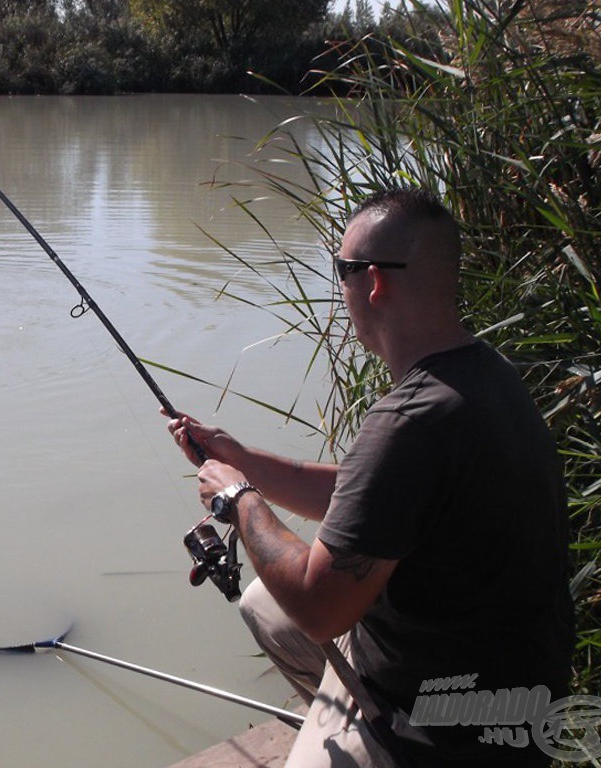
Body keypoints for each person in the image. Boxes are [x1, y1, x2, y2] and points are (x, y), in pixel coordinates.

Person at [164, 187, 574, 768]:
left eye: (342, 271)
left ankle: (378, 746)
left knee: (291, 611)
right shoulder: (483, 374)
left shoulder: (407, 423)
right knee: (262, 605)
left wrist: (238, 497)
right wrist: (245, 460)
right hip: (516, 693)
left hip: (452, 733)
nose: (341, 288)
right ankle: (354, 728)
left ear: (375, 282)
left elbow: (318, 609)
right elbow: (369, 497)